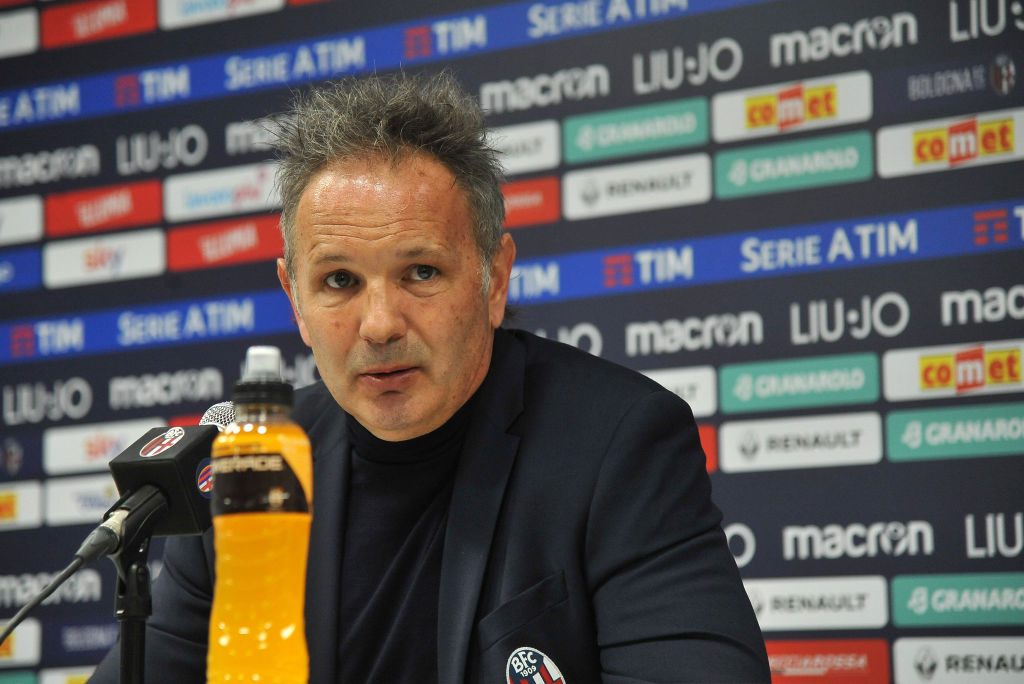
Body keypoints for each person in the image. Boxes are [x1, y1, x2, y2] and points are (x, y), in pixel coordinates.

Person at [89, 71, 770, 683]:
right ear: (294, 298)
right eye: (339, 281)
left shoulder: (618, 446)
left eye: (420, 272)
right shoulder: (249, 466)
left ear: (493, 278)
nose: (380, 323)